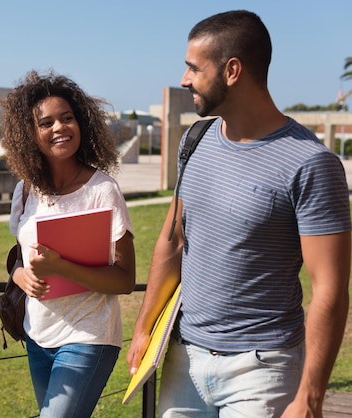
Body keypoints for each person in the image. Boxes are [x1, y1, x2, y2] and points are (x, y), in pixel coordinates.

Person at [126, 10, 351, 417]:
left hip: (263, 370)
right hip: (184, 361)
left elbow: (330, 291)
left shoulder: (311, 163)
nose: (184, 79)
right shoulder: (195, 140)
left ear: (232, 70)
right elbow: (172, 240)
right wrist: (144, 327)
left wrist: (310, 397)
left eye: (194, 68)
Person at [0, 70, 136, 417]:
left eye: (67, 118)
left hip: (88, 337)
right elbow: (19, 257)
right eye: (46, 123)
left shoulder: (103, 191)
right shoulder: (25, 190)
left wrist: (62, 267)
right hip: (37, 335)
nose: (59, 128)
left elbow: (124, 280)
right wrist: (19, 277)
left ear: (82, 123)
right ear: (30, 134)